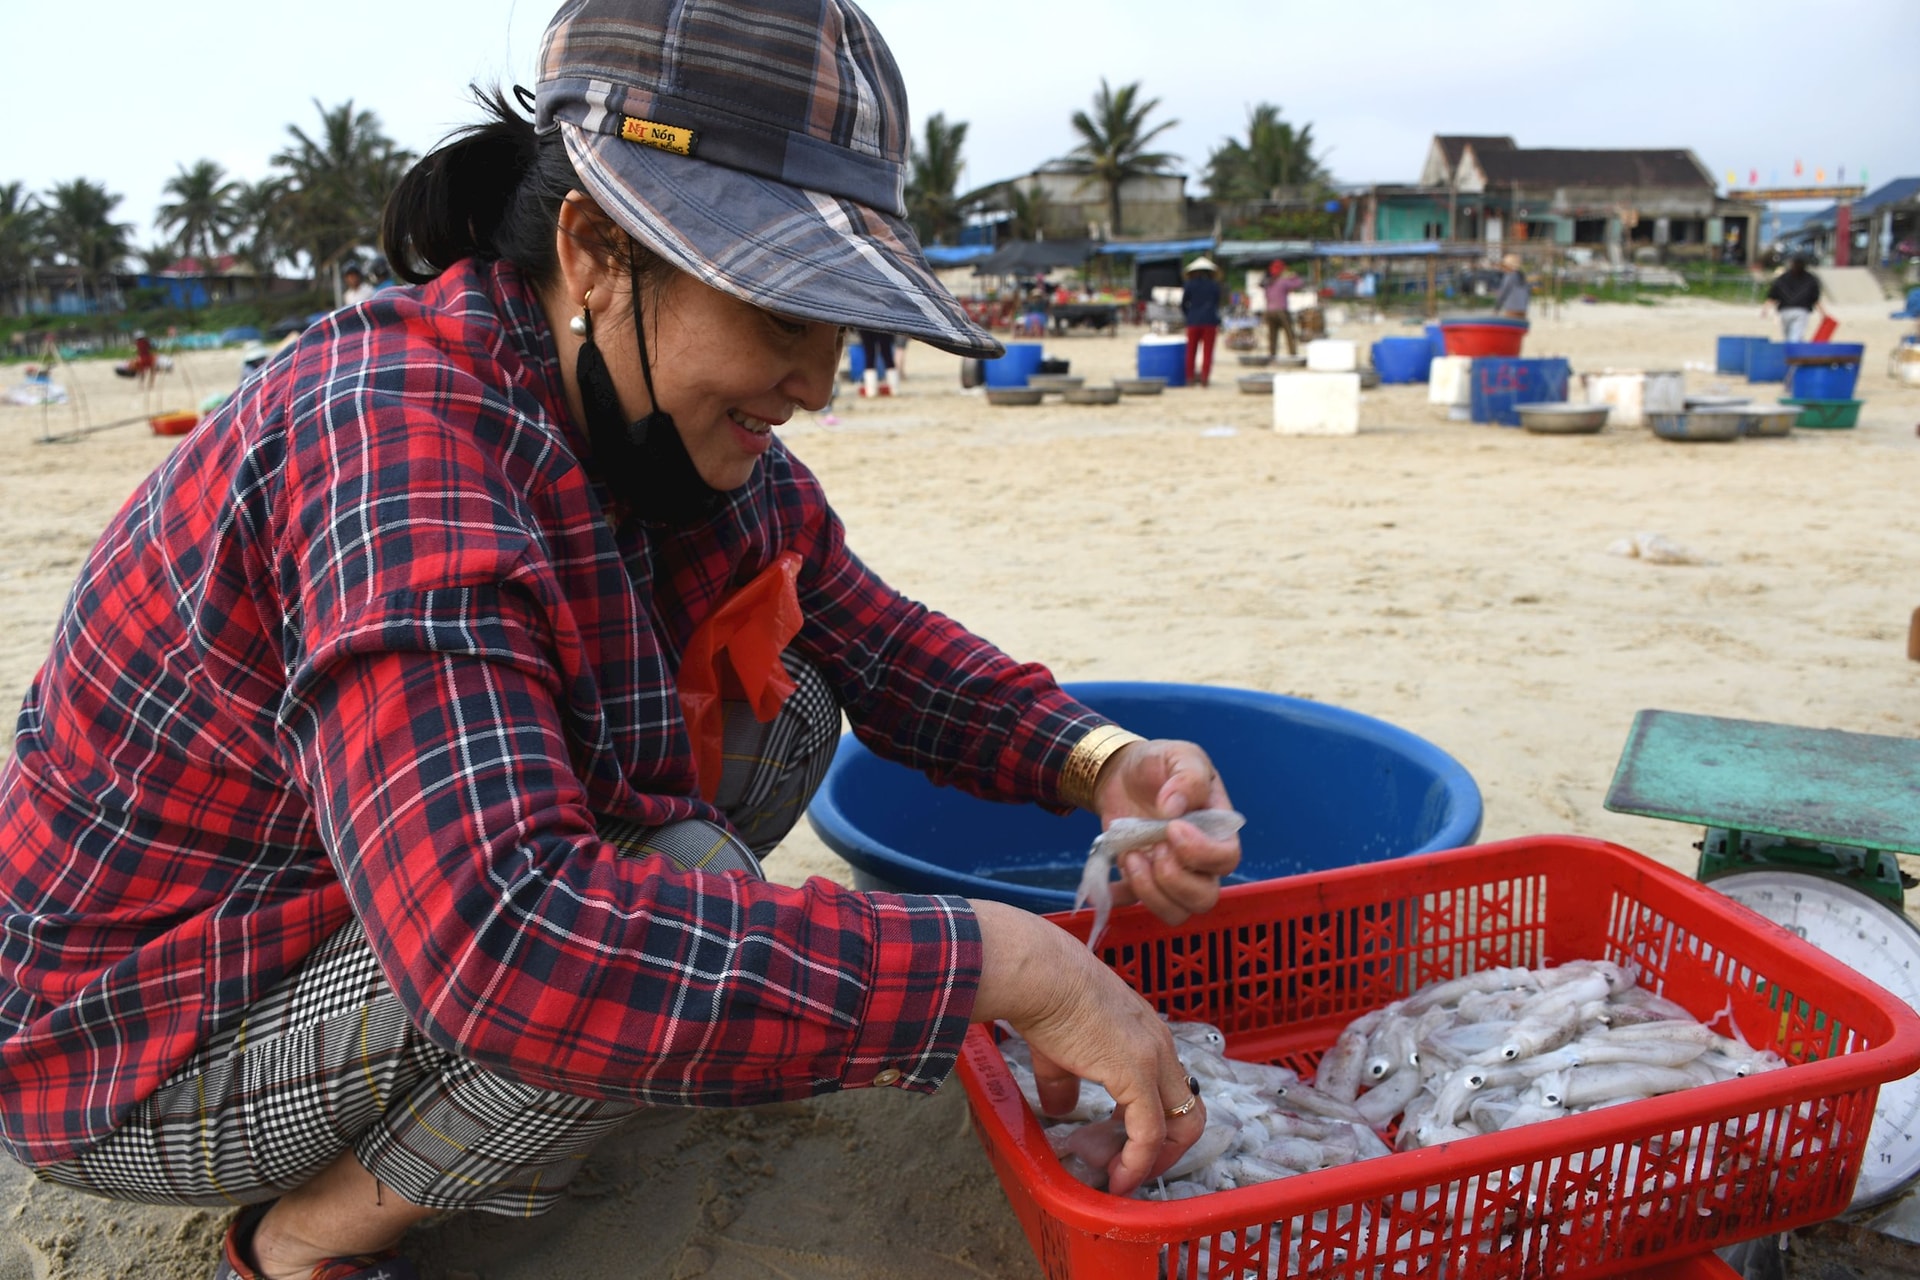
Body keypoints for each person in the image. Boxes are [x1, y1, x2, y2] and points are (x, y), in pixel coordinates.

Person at [0, 2, 1242, 1276]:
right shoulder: (396, 443)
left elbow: (879, 638)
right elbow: (504, 937)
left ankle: (537, 1079)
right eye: (782, 317)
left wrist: (1102, 762)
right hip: (139, 1031)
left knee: (794, 687)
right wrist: (997, 961)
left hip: (357, 896)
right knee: (677, 885)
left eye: (839, 329)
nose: (817, 379)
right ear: (596, 250)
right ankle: (301, 1238)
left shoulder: (642, 417)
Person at [1762, 255, 1830, 343]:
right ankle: (1794, 352)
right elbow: (1815, 299)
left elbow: (1773, 295)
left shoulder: (1783, 278)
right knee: (1795, 336)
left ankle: (1791, 352)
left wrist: (1765, 309)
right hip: (1801, 311)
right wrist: (1823, 313)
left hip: (1785, 310)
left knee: (1789, 336)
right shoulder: (1810, 279)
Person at [1180, 256, 1222, 387]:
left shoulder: (1189, 285)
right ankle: (1204, 378)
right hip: (1210, 321)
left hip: (1193, 321)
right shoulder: (1214, 286)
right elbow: (1216, 304)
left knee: (1191, 351)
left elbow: (1183, 304)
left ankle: (1190, 378)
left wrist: (1189, 315)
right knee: (1207, 351)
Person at [1262, 260, 1305, 357]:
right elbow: (1299, 284)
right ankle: (1292, 354)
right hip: (1281, 311)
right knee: (1289, 333)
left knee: (1272, 335)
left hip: (1269, 311)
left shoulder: (1268, 282)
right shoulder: (1283, 281)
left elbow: (1266, 296)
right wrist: (1294, 276)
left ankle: (1272, 354)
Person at [1493, 253, 1531, 319]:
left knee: (1508, 328)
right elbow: (1527, 294)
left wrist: (1497, 308)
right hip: (1522, 310)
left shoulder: (1509, 276)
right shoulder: (1522, 276)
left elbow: (1503, 293)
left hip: (1512, 309)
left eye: (1504, 266)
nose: (1503, 269)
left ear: (1508, 266)